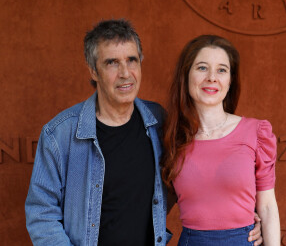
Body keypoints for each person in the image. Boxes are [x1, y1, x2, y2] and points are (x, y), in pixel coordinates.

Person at [25, 20, 262, 246]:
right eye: (111, 63)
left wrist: (243, 221)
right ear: (93, 71)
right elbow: (41, 212)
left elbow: (198, 176)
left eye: (132, 60)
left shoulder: (160, 122)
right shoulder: (61, 134)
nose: (125, 73)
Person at [161, 35, 280, 246]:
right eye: (202, 68)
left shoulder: (256, 132)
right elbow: (154, 202)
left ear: (230, 80)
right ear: (186, 75)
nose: (212, 78)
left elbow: (268, 206)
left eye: (222, 70)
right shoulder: (171, 137)